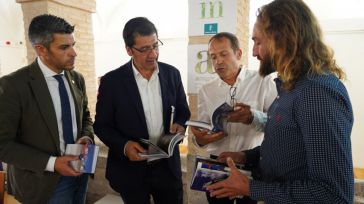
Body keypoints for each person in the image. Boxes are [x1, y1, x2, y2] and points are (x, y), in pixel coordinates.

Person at [207, 0, 354, 203]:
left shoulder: (317, 93)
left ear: (284, 39)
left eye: (258, 42)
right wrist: (247, 157)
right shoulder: (290, 86)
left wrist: (252, 189)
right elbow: (289, 145)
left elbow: (332, 194)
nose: (254, 52)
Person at [93, 17, 190, 204]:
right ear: (129, 50)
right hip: (131, 171)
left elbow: (183, 111)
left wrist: (180, 125)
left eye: (155, 46)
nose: (153, 54)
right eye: (144, 49)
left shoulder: (172, 74)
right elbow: (102, 126)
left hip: (167, 168)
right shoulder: (112, 82)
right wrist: (124, 145)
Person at [0, 14, 94, 204]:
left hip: (80, 172)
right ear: (41, 50)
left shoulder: (77, 78)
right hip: (43, 184)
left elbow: (85, 117)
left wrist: (86, 136)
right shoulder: (13, 85)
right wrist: (52, 163)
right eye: (64, 47)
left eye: (73, 44)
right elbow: (3, 145)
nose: (74, 53)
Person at [190, 32, 277, 204]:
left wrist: (252, 117)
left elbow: (278, 124)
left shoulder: (263, 80)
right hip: (217, 166)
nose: (218, 61)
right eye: (213, 57)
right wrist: (200, 140)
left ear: (238, 54)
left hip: (251, 164)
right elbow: (204, 129)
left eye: (223, 54)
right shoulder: (206, 90)